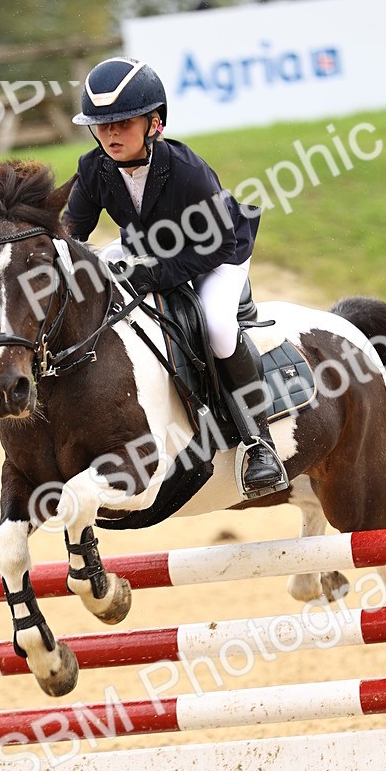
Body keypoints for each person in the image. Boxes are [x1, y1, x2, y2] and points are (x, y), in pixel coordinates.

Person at [64, 56, 287, 496]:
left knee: (220, 328)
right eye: (101, 124)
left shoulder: (186, 170)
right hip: (150, 250)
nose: (110, 134)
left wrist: (159, 275)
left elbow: (218, 245)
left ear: (153, 123)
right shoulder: (93, 168)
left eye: (122, 123)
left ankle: (259, 443)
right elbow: (73, 232)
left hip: (218, 253)